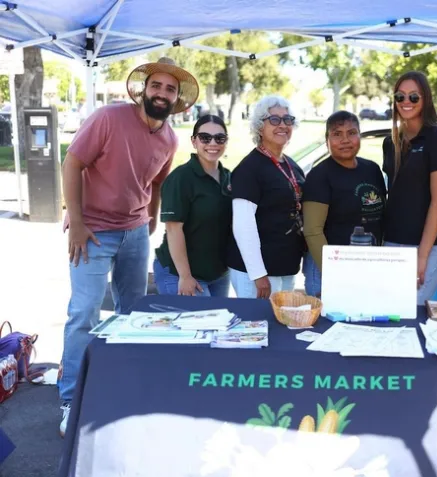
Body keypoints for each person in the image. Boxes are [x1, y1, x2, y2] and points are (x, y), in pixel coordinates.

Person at [58, 57, 198, 437]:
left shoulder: (170, 137)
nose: (162, 93)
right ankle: (71, 399)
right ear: (144, 89)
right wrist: (78, 222)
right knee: (83, 314)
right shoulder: (108, 118)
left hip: (135, 233)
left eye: (170, 89)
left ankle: (122, 389)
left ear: (177, 97)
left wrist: (150, 219)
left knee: (132, 315)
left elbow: (156, 184)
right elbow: (71, 164)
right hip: (92, 232)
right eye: (157, 86)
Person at [382, 71, 437, 304]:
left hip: (429, 246)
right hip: (393, 242)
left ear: (426, 99)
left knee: (407, 310)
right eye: (400, 96)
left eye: (414, 97)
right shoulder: (390, 142)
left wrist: (422, 257)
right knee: (389, 312)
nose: (406, 102)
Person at [227, 95, 305, 298]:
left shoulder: (290, 164)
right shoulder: (249, 169)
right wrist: (258, 274)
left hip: (285, 265)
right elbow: (243, 225)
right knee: (256, 328)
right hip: (257, 272)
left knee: (281, 326)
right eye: (274, 119)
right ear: (260, 126)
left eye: (288, 120)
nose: (283, 125)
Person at [302, 111, 386, 296]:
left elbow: (379, 218)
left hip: (367, 266)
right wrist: (334, 274)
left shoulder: (372, 169)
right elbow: (312, 231)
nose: (345, 140)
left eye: (352, 132)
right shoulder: (320, 176)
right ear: (327, 140)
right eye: (337, 134)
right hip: (328, 269)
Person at [153, 115, 232, 297]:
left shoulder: (228, 177)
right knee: (198, 324)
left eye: (219, 138)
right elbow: (174, 230)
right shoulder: (180, 179)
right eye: (205, 137)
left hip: (219, 274)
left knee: (219, 325)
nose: (212, 143)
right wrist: (185, 276)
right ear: (194, 141)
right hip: (179, 273)